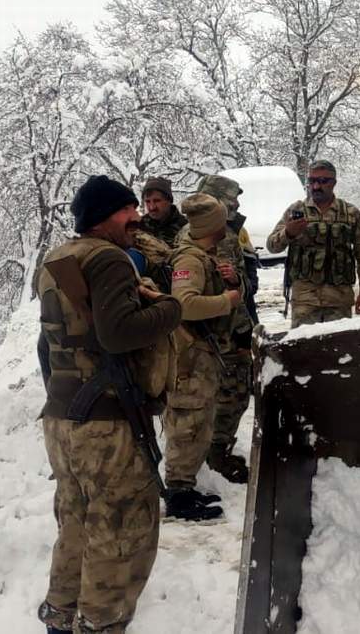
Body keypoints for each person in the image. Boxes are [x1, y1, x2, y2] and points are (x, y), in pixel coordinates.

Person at [34, 175, 183, 634]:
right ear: (106, 215)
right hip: (107, 427)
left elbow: (46, 346)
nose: (137, 219)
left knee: (76, 521)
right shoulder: (109, 258)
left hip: (62, 419)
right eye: (128, 211)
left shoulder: (56, 259)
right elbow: (117, 334)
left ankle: (61, 616)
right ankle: (100, 625)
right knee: (120, 533)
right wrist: (171, 309)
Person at [162, 193, 244, 519]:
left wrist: (231, 282)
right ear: (214, 225)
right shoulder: (190, 261)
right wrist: (227, 300)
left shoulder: (206, 256)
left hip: (202, 354)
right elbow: (184, 304)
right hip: (189, 357)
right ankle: (178, 493)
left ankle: (185, 486)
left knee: (199, 424)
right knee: (187, 424)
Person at [189, 174, 259, 483]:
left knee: (236, 392)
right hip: (217, 332)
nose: (237, 206)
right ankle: (213, 455)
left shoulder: (232, 234)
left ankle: (215, 450)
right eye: (231, 201)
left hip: (233, 327)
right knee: (230, 394)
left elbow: (245, 282)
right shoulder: (196, 238)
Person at [266, 160, 360, 328]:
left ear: (334, 183)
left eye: (323, 181)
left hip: (339, 299)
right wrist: (288, 233)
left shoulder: (350, 213)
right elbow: (272, 246)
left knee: (339, 349)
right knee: (304, 351)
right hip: (305, 300)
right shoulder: (296, 210)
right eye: (312, 181)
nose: (316, 186)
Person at [134, 176, 187, 292]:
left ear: (169, 200)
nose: (152, 207)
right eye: (148, 202)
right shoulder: (139, 225)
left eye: (157, 201)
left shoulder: (185, 227)